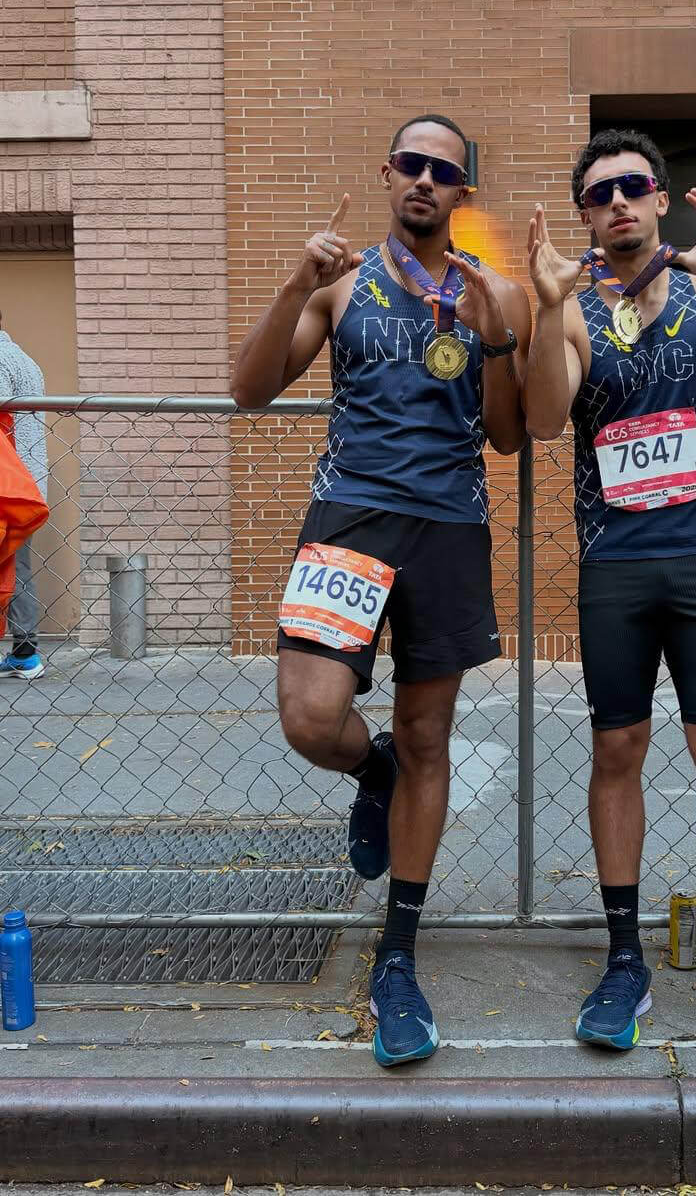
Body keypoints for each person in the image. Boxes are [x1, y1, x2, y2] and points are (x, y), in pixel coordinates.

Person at [231, 114, 530, 1066]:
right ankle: (376, 772)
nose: (425, 181)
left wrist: (493, 343)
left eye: (446, 170)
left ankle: (396, 957)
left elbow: (511, 438)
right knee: (311, 717)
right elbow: (249, 392)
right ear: (389, 171)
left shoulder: (492, 293)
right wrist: (293, 284)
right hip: (350, 522)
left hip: (447, 527)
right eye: (412, 163)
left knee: (434, 733)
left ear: (462, 192)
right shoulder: (344, 282)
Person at [524, 127, 696, 1059]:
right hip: (616, 565)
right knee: (619, 747)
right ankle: (621, 959)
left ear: (660, 198)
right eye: (600, 193)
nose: (618, 203)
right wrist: (543, 310)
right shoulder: (574, 304)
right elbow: (540, 417)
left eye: (633, 187)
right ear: (584, 215)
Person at [0, 312, 48, 680]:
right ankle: (24, 650)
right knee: (17, 564)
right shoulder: (23, 357)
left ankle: (25, 651)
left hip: (8, 478)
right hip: (25, 480)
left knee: (12, 565)